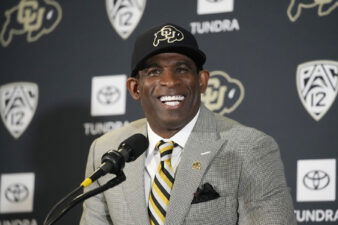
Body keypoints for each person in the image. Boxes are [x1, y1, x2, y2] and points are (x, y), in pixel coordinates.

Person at [80, 23, 296, 225]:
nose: (171, 81)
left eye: (182, 69)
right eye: (154, 71)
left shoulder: (250, 148)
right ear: (135, 88)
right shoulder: (106, 150)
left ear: (202, 81)